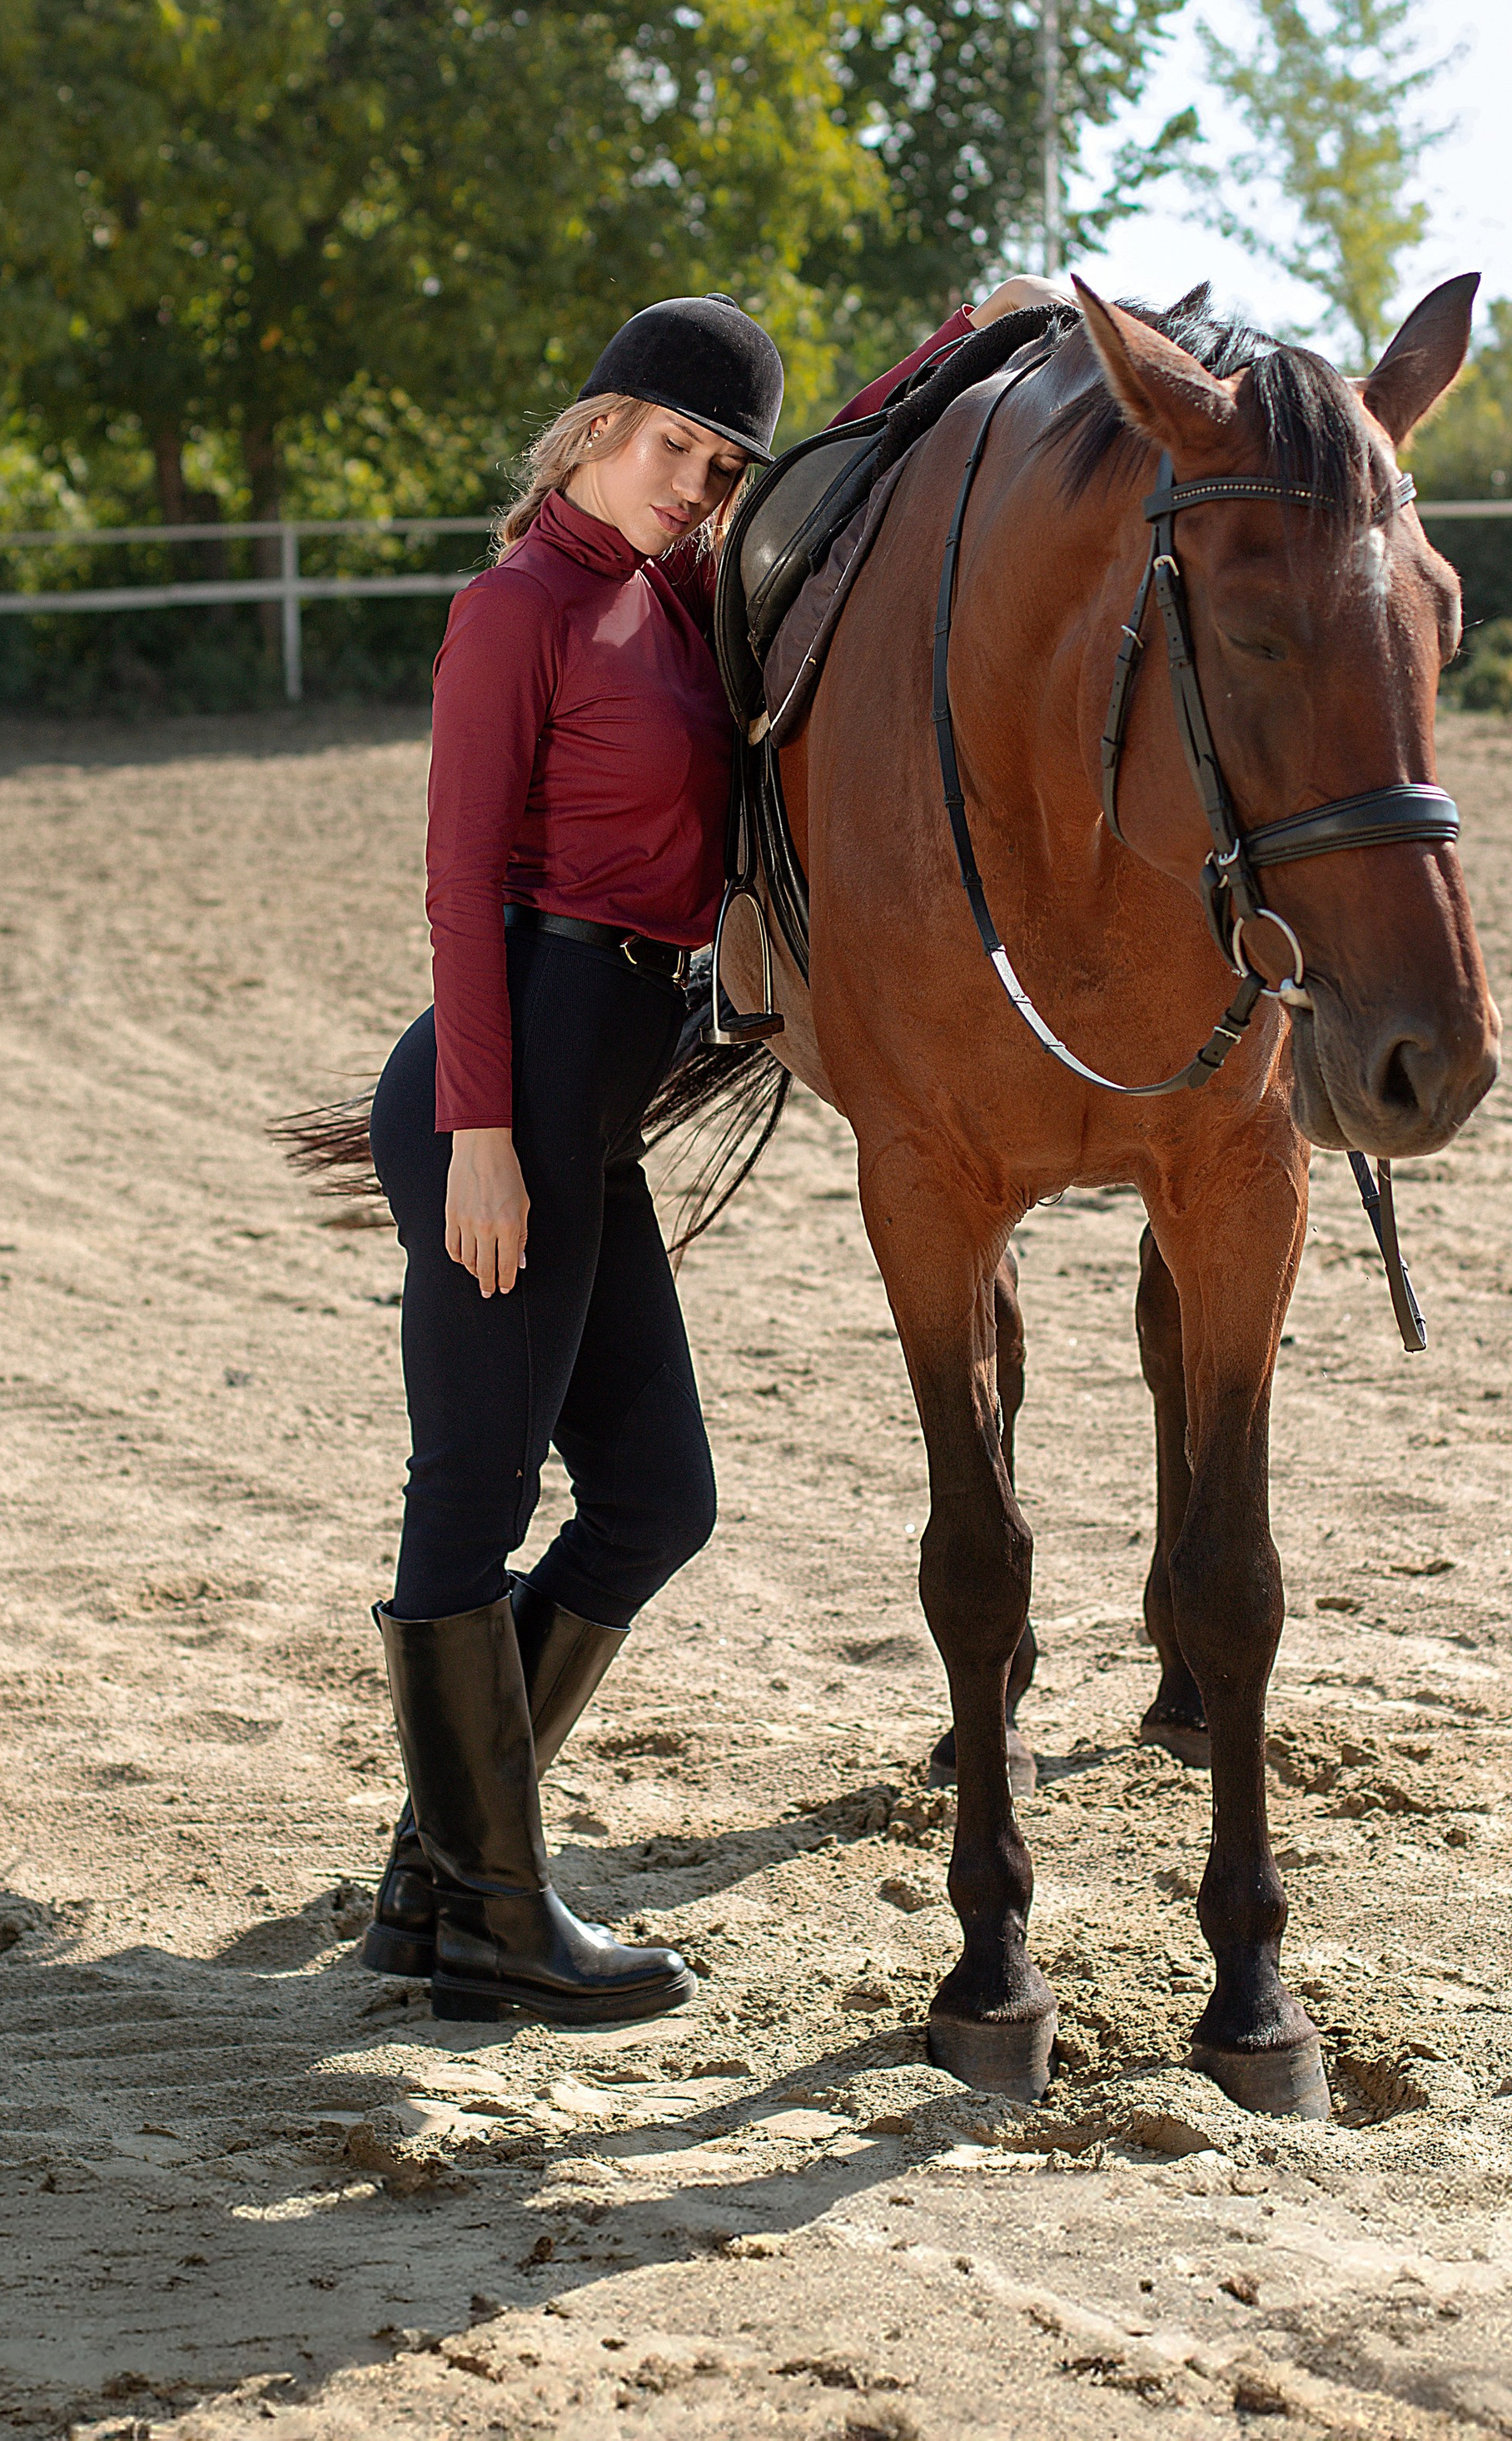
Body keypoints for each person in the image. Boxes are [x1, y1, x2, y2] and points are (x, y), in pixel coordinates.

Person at [361, 277, 1068, 2029]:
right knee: (471, 1495)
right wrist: (474, 1135)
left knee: (657, 1495)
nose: (693, 479)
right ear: (597, 421)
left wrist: (984, 335)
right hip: (505, 1085)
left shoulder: (675, 606)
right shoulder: (514, 607)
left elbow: (839, 467)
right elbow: (458, 887)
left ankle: (434, 1877)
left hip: (597, 1101)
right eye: (672, 440)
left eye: (719, 458)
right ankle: (497, 1920)